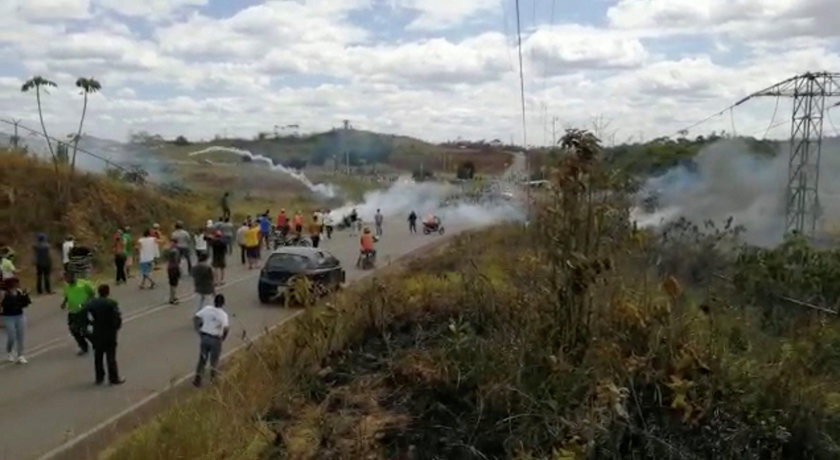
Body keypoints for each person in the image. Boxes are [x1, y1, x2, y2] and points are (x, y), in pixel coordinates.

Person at [82, 284, 124, 385]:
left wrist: (90, 324)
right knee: (111, 356)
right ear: (107, 292)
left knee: (98, 356)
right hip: (109, 331)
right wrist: (116, 326)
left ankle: (99, 377)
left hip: (97, 331)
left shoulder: (91, 303)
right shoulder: (112, 303)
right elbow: (117, 317)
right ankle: (113, 378)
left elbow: (85, 313)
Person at [192, 293, 229, 387]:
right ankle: (213, 379)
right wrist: (223, 338)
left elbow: (196, 317)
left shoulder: (207, 309)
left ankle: (198, 379)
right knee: (214, 360)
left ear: (214, 302)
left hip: (205, 337)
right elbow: (226, 329)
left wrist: (198, 329)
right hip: (216, 339)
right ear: (223, 303)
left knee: (202, 359)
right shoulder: (223, 315)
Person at [60, 271, 95, 355]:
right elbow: (66, 296)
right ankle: (83, 347)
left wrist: (88, 302)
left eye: (67, 278)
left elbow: (92, 293)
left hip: (82, 310)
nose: (66, 280)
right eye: (65, 279)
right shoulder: (67, 287)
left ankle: (96, 341)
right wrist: (64, 303)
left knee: (84, 330)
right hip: (72, 311)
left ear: (73, 277)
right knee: (73, 330)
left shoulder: (83, 284)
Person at [1, 277, 30, 364]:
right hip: (8, 317)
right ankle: (9, 351)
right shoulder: (4, 294)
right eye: (15, 283)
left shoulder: (20, 292)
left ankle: (20, 355)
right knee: (11, 336)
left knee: (20, 337)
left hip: (19, 316)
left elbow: (26, 303)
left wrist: (25, 296)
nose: (17, 285)